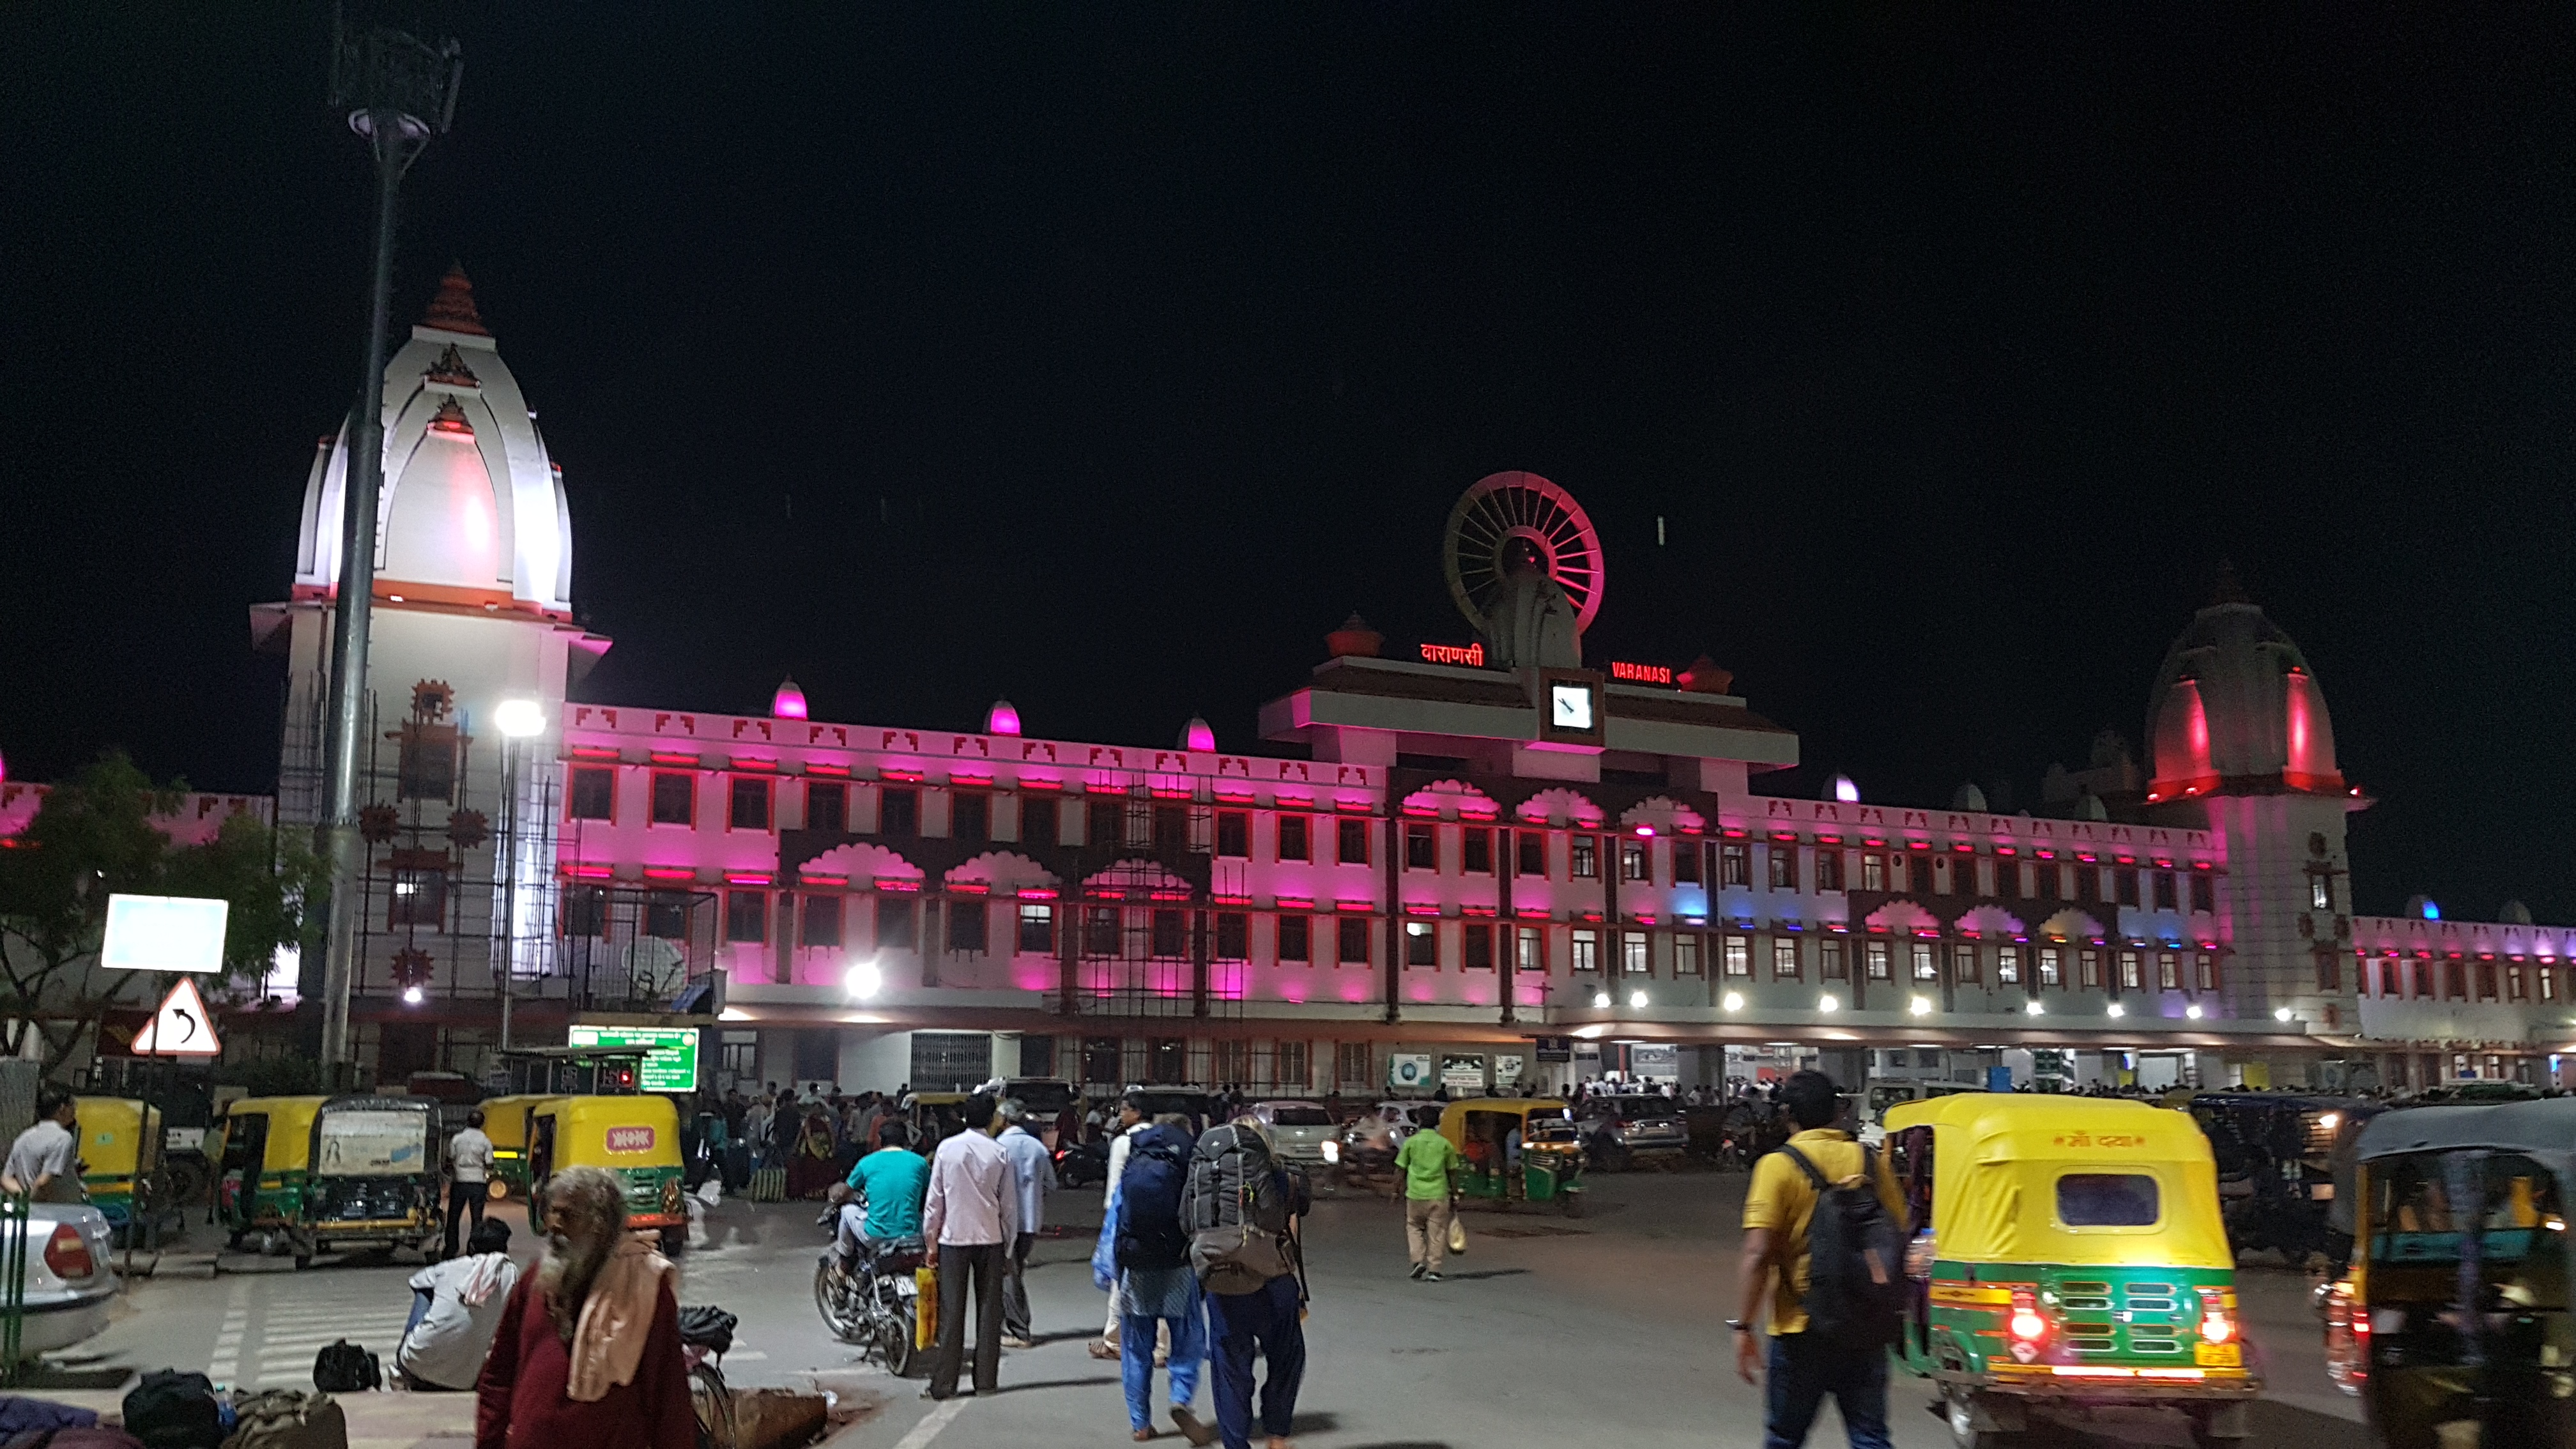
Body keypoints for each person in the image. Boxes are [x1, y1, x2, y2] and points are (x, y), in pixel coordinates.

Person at [1733, 1069, 1905, 1449]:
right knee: (1870, 1437)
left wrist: (1743, 1327)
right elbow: (1898, 1233)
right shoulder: (1870, 1161)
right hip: (1864, 1325)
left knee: (1785, 1438)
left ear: (1787, 1113)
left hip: (1800, 1328)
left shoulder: (1777, 1165)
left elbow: (1758, 1252)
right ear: (1836, 1112)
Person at [475, 1166, 691, 1449]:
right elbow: (499, 1374)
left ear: (600, 1225)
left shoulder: (643, 1286)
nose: (554, 1224)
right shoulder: (535, 1280)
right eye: (552, 1212)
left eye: (569, 1215)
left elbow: (669, 1395)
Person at [1191, 1115, 1307, 1449]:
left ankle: (1235, 1443)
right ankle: (1276, 1436)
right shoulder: (1282, 1178)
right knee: (1287, 1358)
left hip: (1225, 1282)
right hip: (1275, 1282)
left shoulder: (1209, 1179)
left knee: (1230, 1368)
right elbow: (1292, 1229)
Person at [1110, 1114, 1209, 1444]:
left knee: (1136, 1349)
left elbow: (1116, 1218)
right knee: (1187, 1341)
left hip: (1137, 1268)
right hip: (1178, 1265)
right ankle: (1180, 1398)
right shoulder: (1187, 1167)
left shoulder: (1136, 1162)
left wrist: (1112, 1268)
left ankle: (1140, 1423)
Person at [921, 1092, 1018, 1401]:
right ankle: (986, 1381)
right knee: (991, 1311)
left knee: (951, 1313)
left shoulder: (947, 1150)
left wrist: (931, 1242)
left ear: (964, 1116)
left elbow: (935, 1202)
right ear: (992, 1119)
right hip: (990, 1240)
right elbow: (1009, 1208)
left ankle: (944, 1384)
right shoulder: (1000, 1154)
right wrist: (1008, 1246)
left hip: (953, 1240)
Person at [1089, 1091, 1165, 1363]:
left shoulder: (1124, 1142)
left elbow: (1114, 1191)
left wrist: (1110, 1226)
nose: (1121, 1115)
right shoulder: (1164, 1138)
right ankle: (1162, 1346)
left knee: (1121, 1281)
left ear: (1136, 1112)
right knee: (1162, 1279)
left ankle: (1115, 1339)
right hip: (1163, 1219)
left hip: (1129, 1219)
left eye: (1124, 1110)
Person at [401, 1219, 519, 1392]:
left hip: (414, 1363)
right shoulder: (510, 1273)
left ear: (471, 1247)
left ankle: (407, 1357)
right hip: (462, 1379)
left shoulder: (448, 1268)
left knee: (425, 1289)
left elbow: (416, 1281)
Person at [995, 1100, 1053, 1350]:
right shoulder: (1038, 1148)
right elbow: (1051, 1183)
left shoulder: (998, 1147)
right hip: (1030, 1221)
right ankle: (1007, 1325)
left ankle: (1020, 1331)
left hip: (1003, 1220)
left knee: (1009, 1274)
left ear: (1005, 1120)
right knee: (1012, 1271)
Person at [838, 1121, 930, 1268]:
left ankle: (845, 1260)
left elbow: (845, 1192)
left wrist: (835, 1199)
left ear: (880, 1140)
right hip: (912, 1235)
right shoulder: (919, 1163)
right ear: (906, 1141)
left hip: (875, 1236)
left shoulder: (866, 1163)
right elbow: (928, 1192)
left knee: (847, 1211)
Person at [1393, 1116, 1460, 1282]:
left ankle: (1417, 1261)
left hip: (1415, 1194)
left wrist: (1395, 1191)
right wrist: (1455, 1193)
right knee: (1437, 1233)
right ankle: (1434, 1270)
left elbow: (1400, 1169)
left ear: (1419, 1121)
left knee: (1414, 1227)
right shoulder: (1445, 1144)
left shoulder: (1411, 1143)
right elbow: (1452, 1172)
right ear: (1437, 1123)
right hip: (1439, 1194)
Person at [0, 1090, 79, 1204]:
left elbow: (6, 1179)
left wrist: (25, 1200)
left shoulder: (24, 1137)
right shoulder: (63, 1138)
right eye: (72, 1105)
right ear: (62, 1108)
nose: (75, 1110)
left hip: (31, 1215)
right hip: (58, 1213)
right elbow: (43, 1183)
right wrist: (34, 1203)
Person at [443, 1108, 494, 1260]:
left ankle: (451, 1248)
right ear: (482, 1124)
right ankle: (474, 1248)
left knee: (453, 1218)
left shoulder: (457, 1139)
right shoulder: (485, 1141)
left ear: (467, 1121)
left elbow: (449, 1158)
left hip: (460, 1182)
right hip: (478, 1183)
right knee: (477, 1219)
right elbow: (490, 1164)